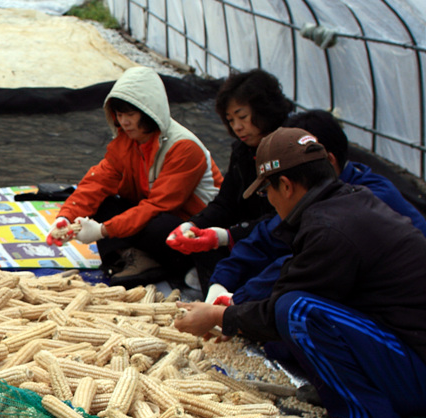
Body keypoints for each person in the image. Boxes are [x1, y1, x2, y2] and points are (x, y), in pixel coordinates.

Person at [175, 128, 426, 418]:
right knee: (287, 316)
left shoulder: (331, 228)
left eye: (268, 191)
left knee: (297, 311)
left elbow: (282, 306)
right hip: (403, 345)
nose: (269, 201)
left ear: (287, 186)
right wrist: (232, 308)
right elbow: (288, 271)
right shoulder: (347, 202)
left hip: (417, 367)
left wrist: (218, 317)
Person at [205, 110, 426, 305]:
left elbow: (303, 263)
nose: (237, 126)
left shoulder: (361, 203)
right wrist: (221, 282)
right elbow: (270, 235)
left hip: (398, 315)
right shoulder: (316, 199)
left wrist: (236, 304)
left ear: (326, 161)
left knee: (290, 311)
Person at [46, 66, 223, 287]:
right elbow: (97, 181)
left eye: (130, 114)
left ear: (150, 112)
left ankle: (187, 267)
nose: (124, 122)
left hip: (191, 225)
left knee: (159, 225)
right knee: (104, 205)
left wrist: (102, 231)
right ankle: (139, 258)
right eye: (119, 115)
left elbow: (158, 206)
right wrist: (67, 218)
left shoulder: (184, 147)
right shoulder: (127, 142)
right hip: (152, 216)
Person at [165, 69, 293, 287]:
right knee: (185, 235)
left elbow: (283, 219)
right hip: (244, 232)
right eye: (231, 120)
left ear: (264, 109)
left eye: (242, 117)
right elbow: (225, 202)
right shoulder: (242, 151)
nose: (237, 127)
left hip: (280, 241)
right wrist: (194, 224)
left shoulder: (289, 148)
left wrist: (227, 235)